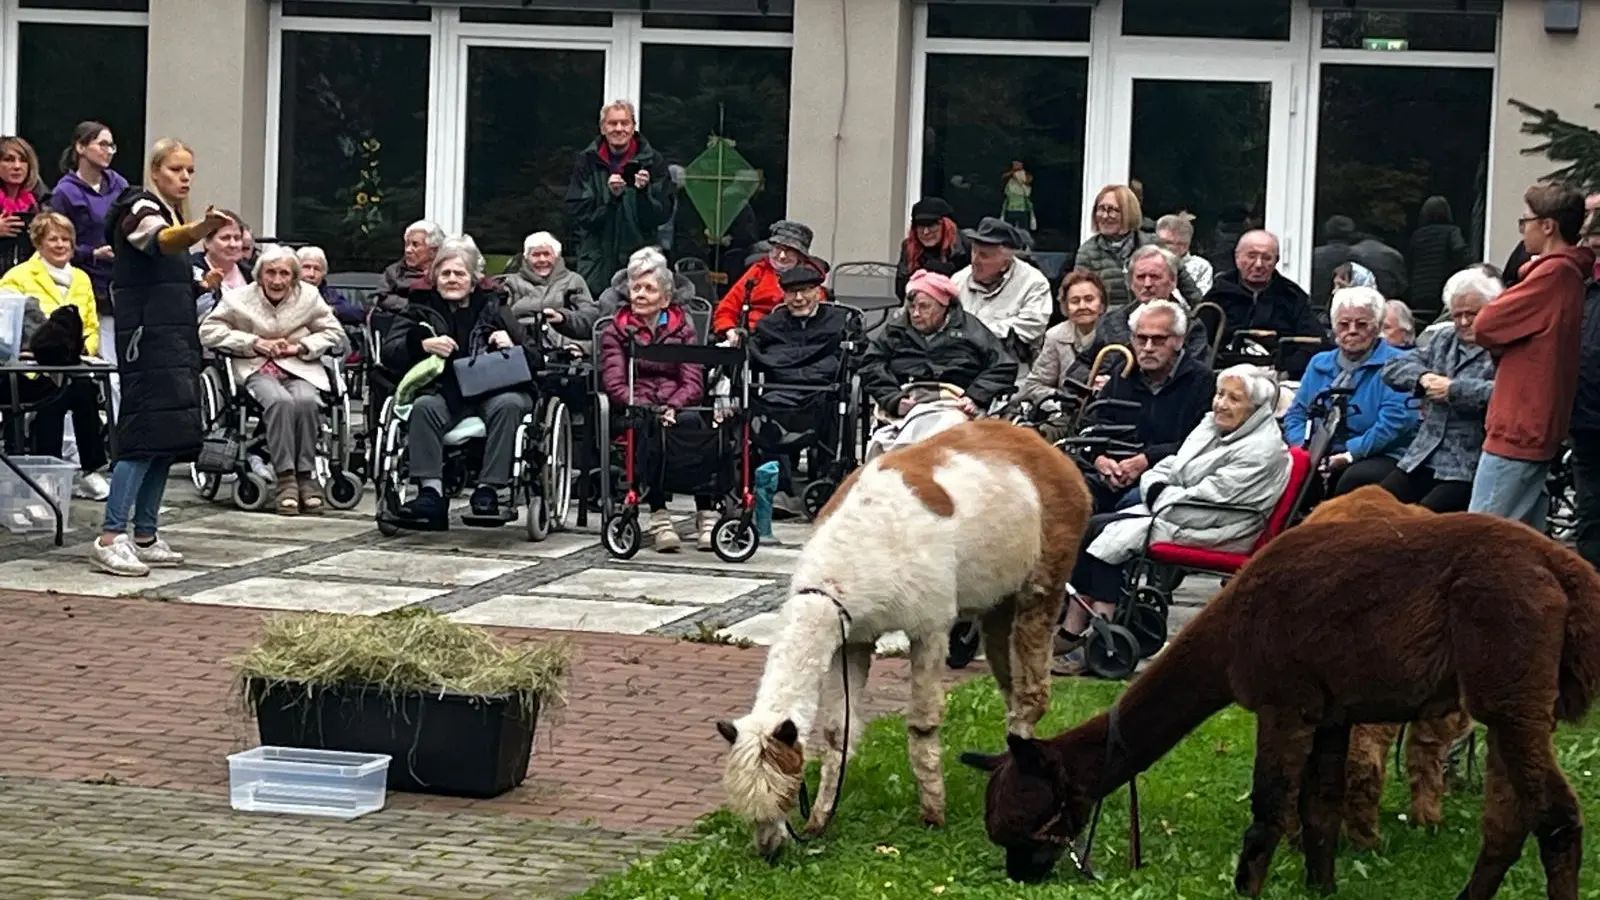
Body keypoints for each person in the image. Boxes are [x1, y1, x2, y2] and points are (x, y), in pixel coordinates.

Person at [1054, 364, 1290, 675]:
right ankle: (1074, 627)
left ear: (1256, 409)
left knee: (1109, 539)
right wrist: (1158, 488)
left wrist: (1158, 492)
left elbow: (1208, 499)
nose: (1220, 404)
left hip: (1219, 526)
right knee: (1094, 526)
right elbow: (1169, 467)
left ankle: (1100, 635)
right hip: (1178, 510)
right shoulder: (1212, 427)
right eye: (1219, 394)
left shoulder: (1260, 449)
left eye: (1234, 399)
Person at [94, 138, 232, 576]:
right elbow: (163, 241)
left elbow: (165, 276)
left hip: (173, 341)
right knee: (139, 439)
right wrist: (200, 230)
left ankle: (146, 534)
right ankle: (110, 536)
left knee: (164, 441)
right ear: (155, 172)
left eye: (190, 170)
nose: (185, 178)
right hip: (146, 341)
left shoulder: (173, 214)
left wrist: (200, 284)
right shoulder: (140, 208)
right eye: (176, 170)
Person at [384, 239, 540, 529]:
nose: (452, 279)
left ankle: (488, 491)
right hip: (444, 389)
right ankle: (430, 493)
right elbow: (389, 352)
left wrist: (511, 344)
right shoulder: (419, 308)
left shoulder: (495, 309)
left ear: (473, 282)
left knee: (510, 405)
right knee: (424, 407)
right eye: (445, 274)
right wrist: (423, 344)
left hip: (493, 388)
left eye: (459, 274)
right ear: (435, 278)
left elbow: (534, 358)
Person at [1468, 182, 1596, 529]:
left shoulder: (1552, 275)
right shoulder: (1567, 275)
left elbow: (1484, 325)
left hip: (1519, 428)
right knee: (1524, 539)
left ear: (1547, 225)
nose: (1522, 229)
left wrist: (1501, 343)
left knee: (1481, 536)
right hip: (1536, 425)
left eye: (1525, 220)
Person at [199, 245, 345, 515]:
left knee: (305, 401)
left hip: (298, 366)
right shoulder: (239, 298)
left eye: (284, 274)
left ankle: (305, 476)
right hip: (256, 366)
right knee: (279, 402)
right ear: (259, 275)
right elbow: (208, 331)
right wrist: (254, 342)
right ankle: (286, 478)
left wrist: (300, 347)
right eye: (271, 273)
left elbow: (334, 332)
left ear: (294, 277)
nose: (277, 280)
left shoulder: (309, 296)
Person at [600, 247, 717, 553]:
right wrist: (645, 406)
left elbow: (692, 378)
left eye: (648, 289)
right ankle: (659, 514)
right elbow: (614, 381)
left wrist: (674, 406)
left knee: (697, 426)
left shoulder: (683, 329)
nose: (639, 294)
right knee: (648, 430)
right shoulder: (617, 331)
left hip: (677, 404)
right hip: (637, 404)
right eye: (635, 288)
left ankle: (706, 510)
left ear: (665, 298)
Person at [0, 211, 109, 499]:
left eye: (66, 239)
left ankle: (91, 469)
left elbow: (91, 324)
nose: (61, 245)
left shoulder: (82, 279)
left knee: (83, 389)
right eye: (53, 239)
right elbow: (10, 326)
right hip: (29, 369)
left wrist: (86, 348)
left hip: (73, 364)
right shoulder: (17, 277)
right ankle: (46, 473)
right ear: (38, 242)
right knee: (56, 393)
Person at [1080, 300, 1216, 512]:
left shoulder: (1201, 381)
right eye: (1141, 339)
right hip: (1113, 475)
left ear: (1179, 341)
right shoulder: (1122, 373)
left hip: (1166, 479)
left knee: (1125, 508)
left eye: (1159, 339)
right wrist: (1100, 459)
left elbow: (1200, 442)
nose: (1148, 348)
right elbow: (1095, 425)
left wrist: (1147, 460)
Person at [1377, 272, 1496, 513]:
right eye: (1457, 315)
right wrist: (1422, 378)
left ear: (1491, 310)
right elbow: (1393, 368)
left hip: (1467, 463)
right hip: (1422, 455)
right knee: (1375, 506)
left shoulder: (1501, 346)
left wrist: (1453, 390)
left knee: (1422, 520)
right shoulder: (1444, 339)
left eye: (1471, 314)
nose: (1463, 322)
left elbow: (1503, 393)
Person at [1281, 286, 1416, 496]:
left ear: (1377, 327)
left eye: (1362, 324)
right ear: (1334, 328)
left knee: (1352, 479)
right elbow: (1297, 414)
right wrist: (1305, 450)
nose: (1352, 330)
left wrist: (1349, 454)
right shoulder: (1319, 363)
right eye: (1344, 324)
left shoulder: (1400, 363)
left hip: (1384, 454)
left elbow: (1393, 424)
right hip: (1321, 452)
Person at [860, 270, 1017, 419]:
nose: (915, 313)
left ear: (944, 307)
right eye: (912, 306)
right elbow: (871, 365)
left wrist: (975, 396)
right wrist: (893, 399)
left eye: (924, 307)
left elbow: (1002, 366)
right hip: (908, 401)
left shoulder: (971, 330)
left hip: (956, 403)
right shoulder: (896, 330)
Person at [564, 99, 672, 297]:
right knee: (595, 318)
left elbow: (661, 215)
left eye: (625, 123)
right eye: (612, 123)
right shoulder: (587, 161)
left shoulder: (653, 161)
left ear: (633, 127)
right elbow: (579, 214)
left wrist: (643, 194)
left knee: (640, 316)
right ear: (603, 128)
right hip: (598, 259)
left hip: (641, 259)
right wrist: (612, 201)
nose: (619, 128)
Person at [49, 121, 127, 348]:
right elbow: (55, 242)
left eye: (112, 146)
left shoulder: (119, 184)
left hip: (118, 279)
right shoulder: (64, 192)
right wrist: (92, 253)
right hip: (84, 280)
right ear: (80, 148)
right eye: (102, 144)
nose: (108, 151)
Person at [1074, 184, 1200, 308]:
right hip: (1108, 323)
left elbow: (1185, 283)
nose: (1105, 216)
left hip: (1155, 318)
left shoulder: (1153, 243)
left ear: (1129, 213)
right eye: (1101, 209)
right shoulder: (1088, 252)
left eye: (1113, 210)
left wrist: (1203, 313)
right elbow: (1081, 295)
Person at [950, 217, 1052, 369]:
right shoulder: (958, 280)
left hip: (1012, 365)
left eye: (984, 255)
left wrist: (977, 334)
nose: (975, 261)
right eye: (974, 252)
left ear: (1005, 264)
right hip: (960, 362)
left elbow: (1032, 326)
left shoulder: (1034, 283)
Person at [1087, 244, 1213, 365]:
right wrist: (1092, 380)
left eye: (1155, 276)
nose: (1147, 284)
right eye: (1141, 277)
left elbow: (1196, 376)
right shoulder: (1111, 321)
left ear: (1173, 281)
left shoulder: (1191, 327)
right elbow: (1081, 365)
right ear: (1131, 283)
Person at [1204, 229, 1322, 348]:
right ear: (1237, 258)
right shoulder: (1218, 295)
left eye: (1267, 258)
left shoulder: (1293, 296)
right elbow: (1198, 342)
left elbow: (1314, 342)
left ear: (1276, 261)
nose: (1259, 264)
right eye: (1251, 256)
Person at [500, 231, 600, 354]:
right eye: (536, 255)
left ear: (556, 256)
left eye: (547, 254)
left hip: (564, 350)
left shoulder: (573, 280)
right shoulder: (511, 283)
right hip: (520, 347)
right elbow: (500, 319)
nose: (542, 259)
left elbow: (589, 319)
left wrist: (579, 346)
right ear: (526, 258)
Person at [712, 219, 813, 339]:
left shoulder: (810, 275)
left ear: (800, 255)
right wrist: (729, 329)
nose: (782, 256)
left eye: (789, 251)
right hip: (755, 337)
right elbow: (728, 306)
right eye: (778, 248)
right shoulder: (759, 270)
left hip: (794, 339)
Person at [1018, 270, 1106, 403]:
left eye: (1089, 299)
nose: (1082, 306)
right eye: (1075, 301)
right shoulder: (1055, 336)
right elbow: (1034, 386)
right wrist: (1063, 399)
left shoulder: (1118, 333)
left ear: (1102, 305)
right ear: (1065, 307)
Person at [1407, 195, 1471, 316]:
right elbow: (1461, 253)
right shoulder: (1452, 232)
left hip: (1419, 291)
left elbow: (1410, 262)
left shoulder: (1417, 235)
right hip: (1441, 288)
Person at [894, 197, 969, 299]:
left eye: (931, 226)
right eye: (920, 226)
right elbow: (901, 291)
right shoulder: (909, 247)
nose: (926, 232)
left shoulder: (964, 247)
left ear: (947, 226)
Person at [0, 136, 50, 274]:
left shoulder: (41, 203)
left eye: (23, 160)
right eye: (8, 160)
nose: (17, 166)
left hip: (27, 281)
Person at [374, 219, 443, 312]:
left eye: (415, 245)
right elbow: (380, 297)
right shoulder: (394, 272)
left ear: (433, 251)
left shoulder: (445, 272)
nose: (408, 250)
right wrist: (412, 305)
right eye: (407, 244)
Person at [191, 210, 249, 317]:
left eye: (237, 238)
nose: (233, 244)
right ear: (207, 242)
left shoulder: (251, 274)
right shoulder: (190, 273)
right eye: (225, 238)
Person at [294, 246, 365, 325]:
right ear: (296, 270)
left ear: (323, 274)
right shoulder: (285, 292)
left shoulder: (328, 294)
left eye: (317, 269)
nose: (311, 274)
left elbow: (357, 313)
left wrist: (331, 310)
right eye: (306, 267)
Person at [1155, 213, 1213, 295]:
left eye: (1167, 243)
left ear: (1185, 245)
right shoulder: (1144, 261)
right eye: (1166, 242)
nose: (1157, 245)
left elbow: (1201, 301)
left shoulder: (1201, 266)